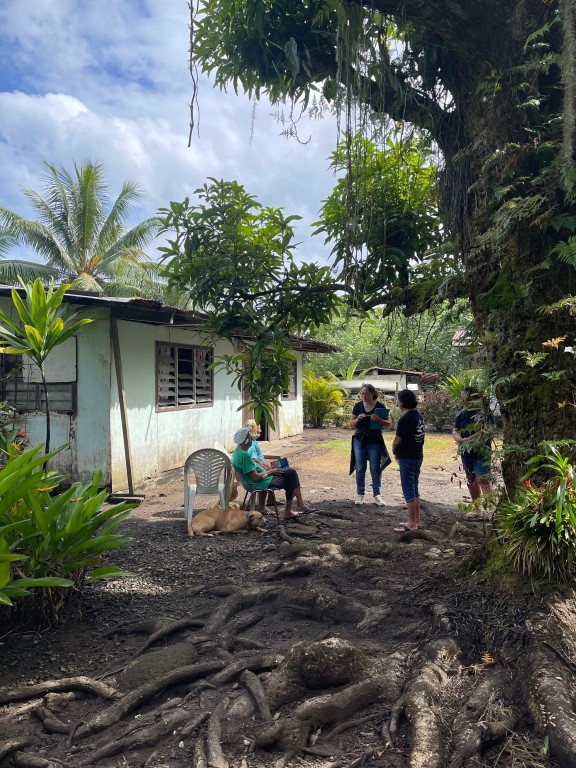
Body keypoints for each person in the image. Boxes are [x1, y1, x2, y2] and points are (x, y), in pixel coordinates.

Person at [231, 427, 315, 519]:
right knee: (290, 478)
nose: (252, 439)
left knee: (290, 472)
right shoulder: (244, 455)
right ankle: (291, 510)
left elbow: (252, 469)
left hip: (258, 478)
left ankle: (297, 504)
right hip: (259, 482)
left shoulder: (237, 452)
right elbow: (256, 478)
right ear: (247, 440)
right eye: (250, 437)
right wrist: (271, 471)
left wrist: (268, 469)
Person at [452, 387, 494, 515]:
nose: (462, 399)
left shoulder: (485, 414)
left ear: (472, 397)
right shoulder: (461, 414)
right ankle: (477, 509)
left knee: (483, 479)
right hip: (466, 454)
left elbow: (487, 431)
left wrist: (468, 439)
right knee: (471, 480)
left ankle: (492, 510)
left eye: (464, 396)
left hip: (482, 452)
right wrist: (459, 439)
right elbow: (455, 430)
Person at [349, 383, 392, 506]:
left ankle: (377, 495)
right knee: (360, 467)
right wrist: (357, 419)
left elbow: (389, 424)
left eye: (366, 394)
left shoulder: (380, 406)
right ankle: (360, 494)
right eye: (362, 394)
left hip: (374, 439)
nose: (364, 396)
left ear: (372, 394)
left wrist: (379, 420)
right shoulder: (358, 406)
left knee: (375, 468)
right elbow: (350, 424)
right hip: (359, 439)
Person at [392, 389, 425, 531]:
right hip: (417, 456)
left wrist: (394, 449)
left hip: (407, 457)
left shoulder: (405, 419)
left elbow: (397, 440)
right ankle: (416, 521)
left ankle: (411, 523)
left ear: (403, 402)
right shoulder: (418, 416)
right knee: (414, 488)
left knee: (408, 490)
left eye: (398, 400)